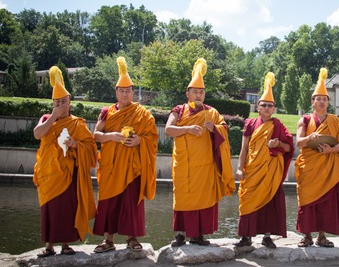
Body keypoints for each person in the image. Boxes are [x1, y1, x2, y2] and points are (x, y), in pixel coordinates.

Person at [166, 58, 235, 247]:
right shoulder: (179, 110)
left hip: (205, 165)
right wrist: (187, 130)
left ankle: (198, 235)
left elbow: (224, 129)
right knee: (183, 196)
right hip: (184, 163)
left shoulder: (211, 112)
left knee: (203, 197)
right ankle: (181, 234)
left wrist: (214, 128)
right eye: (195, 92)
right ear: (187, 93)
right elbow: (168, 130)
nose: (198, 95)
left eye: (201, 92)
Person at [92, 57, 158, 253]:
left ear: (132, 92)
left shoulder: (142, 114)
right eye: (121, 90)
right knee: (109, 202)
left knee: (131, 202)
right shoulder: (107, 112)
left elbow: (152, 137)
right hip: (111, 166)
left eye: (128, 90)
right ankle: (109, 239)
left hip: (132, 166)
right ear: (116, 92)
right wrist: (111, 136)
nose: (125, 94)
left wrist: (139, 141)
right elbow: (96, 135)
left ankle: (132, 238)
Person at [33, 66, 97, 257]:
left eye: (64, 101)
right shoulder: (46, 119)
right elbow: (37, 134)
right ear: (53, 103)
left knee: (68, 208)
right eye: (57, 102)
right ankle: (49, 245)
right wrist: (53, 116)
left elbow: (91, 148)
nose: (61, 105)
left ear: (70, 103)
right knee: (50, 209)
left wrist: (76, 144)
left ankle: (66, 244)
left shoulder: (77, 123)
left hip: (69, 174)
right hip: (49, 173)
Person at [234, 72, 294, 248]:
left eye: (270, 105)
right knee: (248, 201)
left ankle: (267, 236)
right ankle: (246, 237)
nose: (267, 108)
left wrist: (279, 144)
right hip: (252, 169)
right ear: (258, 107)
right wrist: (239, 168)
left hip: (271, 171)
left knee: (270, 202)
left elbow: (290, 148)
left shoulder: (278, 125)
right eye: (263, 105)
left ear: (274, 108)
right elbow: (244, 148)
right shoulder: (250, 124)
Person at [295, 68, 339, 248]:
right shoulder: (304, 120)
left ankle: (322, 236)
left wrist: (331, 150)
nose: (321, 102)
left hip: (328, 166)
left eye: (324, 99)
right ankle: (306, 235)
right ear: (312, 102)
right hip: (309, 166)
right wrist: (309, 138)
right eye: (318, 99)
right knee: (307, 201)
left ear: (328, 102)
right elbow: (299, 143)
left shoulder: (335, 120)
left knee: (326, 203)